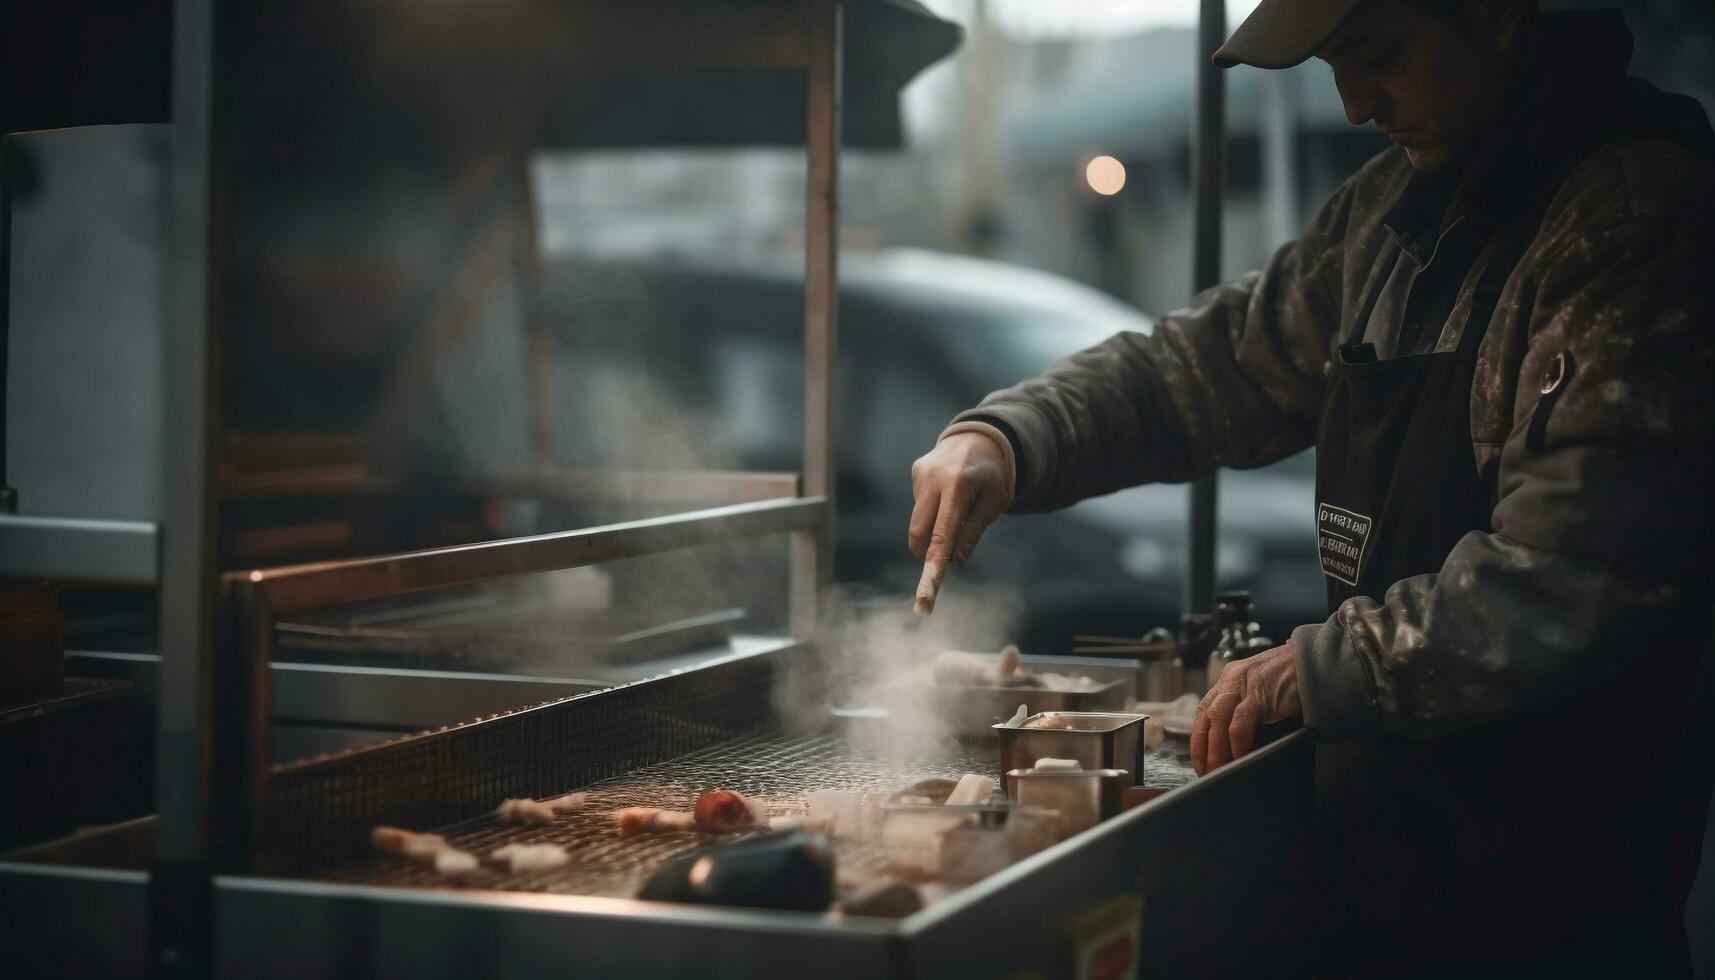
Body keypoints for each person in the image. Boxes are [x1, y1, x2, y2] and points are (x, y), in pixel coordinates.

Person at [908, 0, 1715, 973]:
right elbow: (1206, 365)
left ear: (1496, 15)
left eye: (1376, 55)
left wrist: (1312, 663)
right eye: (1334, 64)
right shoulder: (1386, 215)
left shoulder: (1629, 219)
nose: (1351, 104)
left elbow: (1569, 575)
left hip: (1550, 894)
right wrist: (1010, 435)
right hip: (1380, 867)